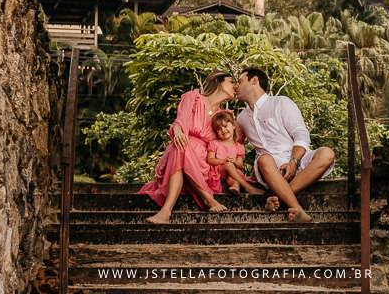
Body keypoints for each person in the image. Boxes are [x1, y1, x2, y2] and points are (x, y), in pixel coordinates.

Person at [235, 67, 335, 223]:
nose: (236, 86)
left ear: (254, 80)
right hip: (270, 168)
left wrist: (294, 162)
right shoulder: (241, 118)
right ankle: (298, 209)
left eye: (239, 81)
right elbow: (233, 147)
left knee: (327, 153)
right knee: (263, 159)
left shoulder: (281, 102)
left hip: (297, 160)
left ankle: (277, 198)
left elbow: (300, 133)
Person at [138, 71, 234, 224]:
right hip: (181, 146)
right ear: (218, 81)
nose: (234, 86)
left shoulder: (224, 116)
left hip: (203, 163)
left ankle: (165, 212)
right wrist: (177, 133)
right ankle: (203, 201)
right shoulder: (193, 98)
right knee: (182, 145)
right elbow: (179, 122)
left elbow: (226, 144)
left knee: (183, 147)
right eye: (231, 81)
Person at [207, 111, 264, 195]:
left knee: (231, 178)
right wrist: (223, 161)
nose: (223, 130)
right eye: (219, 129)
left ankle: (235, 186)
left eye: (225, 126)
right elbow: (209, 160)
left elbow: (240, 165)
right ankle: (249, 188)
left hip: (233, 173)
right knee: (229, 165)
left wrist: (235, 162)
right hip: (219, 172)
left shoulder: (238, 146)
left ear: (233, 126)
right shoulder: (215, 143)